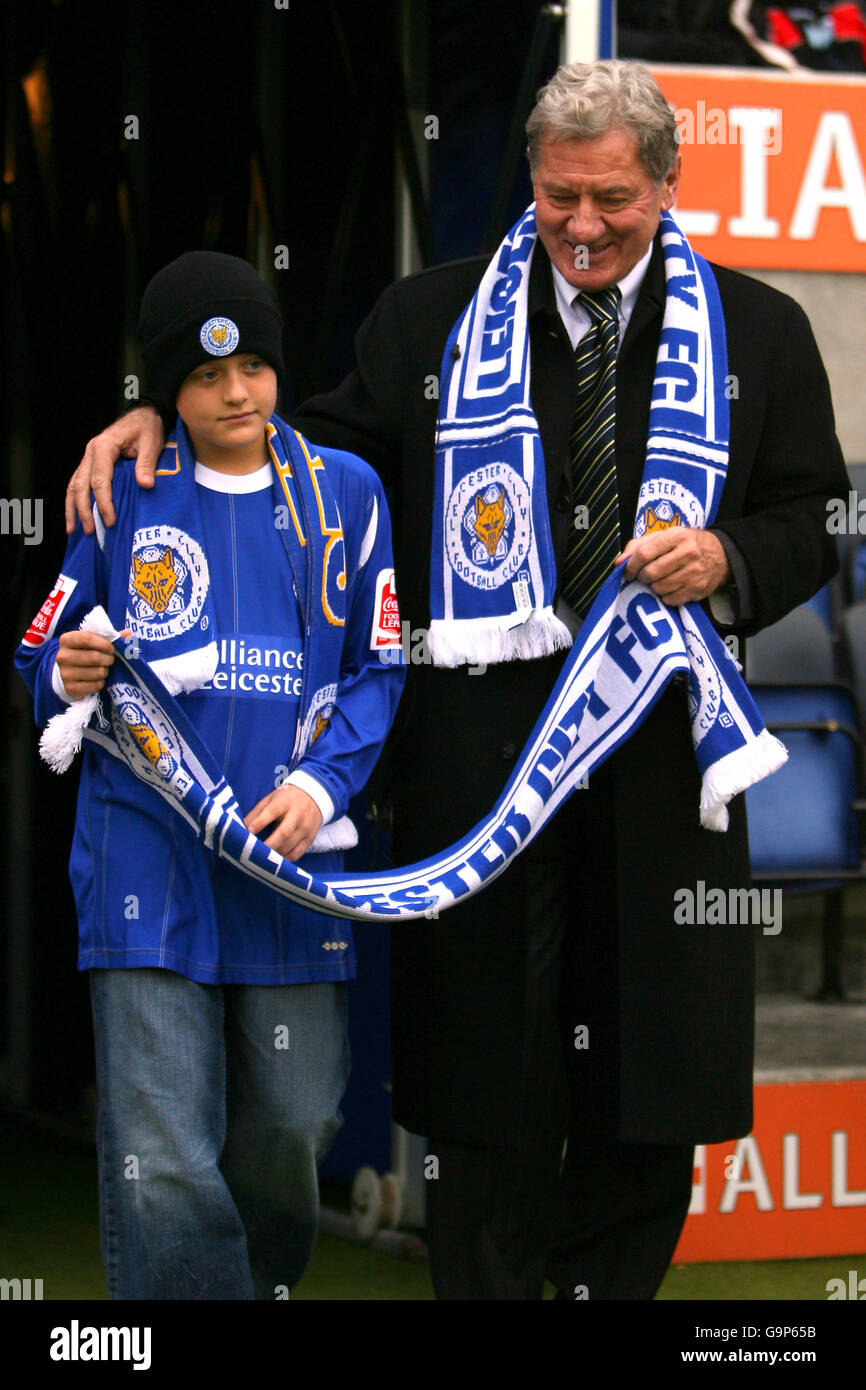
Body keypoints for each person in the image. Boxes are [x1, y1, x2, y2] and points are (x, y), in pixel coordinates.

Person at [65, 61, 849, 1300]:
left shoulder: (756, 330)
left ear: (665, 186)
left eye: (611, 200)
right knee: (485, 1083)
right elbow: (300, 458)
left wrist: (732, 554)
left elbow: (816, 510)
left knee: (639, 1085)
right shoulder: (430, 319)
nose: (582, 226)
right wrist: (154, 417)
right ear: (529, 184)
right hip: (476, 768)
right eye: (556, 198)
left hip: (657, 765)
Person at [17, 251, 404, 1300]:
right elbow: (38, 648)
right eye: (202, 377)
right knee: (165, 1154)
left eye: (254, 369)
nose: (236, 393)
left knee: (290, 1126)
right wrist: (66, 669)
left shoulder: (346, 494)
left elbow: (381, 663)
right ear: (164, 392)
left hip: (288, 872)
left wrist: (322, 786)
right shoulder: (120, 495)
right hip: (146, 863)